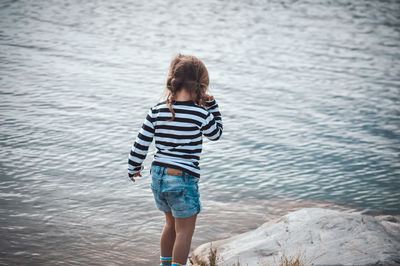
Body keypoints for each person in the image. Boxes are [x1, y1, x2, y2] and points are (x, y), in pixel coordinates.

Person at [128, 54, 223, 266]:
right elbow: (216, 134)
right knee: (184, 232)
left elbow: (141, 143)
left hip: (158, 176)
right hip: (182, 178)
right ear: (201, 84)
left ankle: (165, 264)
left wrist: (133, 166)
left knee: (170, 224)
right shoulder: (200, 114)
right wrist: (213, 106)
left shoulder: (156, 111)